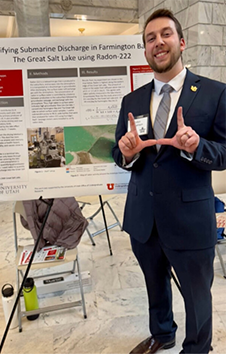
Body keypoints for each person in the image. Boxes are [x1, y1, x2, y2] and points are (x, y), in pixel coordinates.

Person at [112, 9, 226, 354]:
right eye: (150, 38)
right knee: (154, 286)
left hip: (190, 221)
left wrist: (197, 147)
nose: (157, 42)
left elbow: (224, 152)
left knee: (196, 296)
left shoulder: (214, 93)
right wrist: (127, 153)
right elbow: (121, 155)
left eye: (165, 34)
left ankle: (196, 348)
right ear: (145, 50)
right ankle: (162, 334)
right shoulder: (131, 101)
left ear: (181, 41)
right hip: (143, 218)